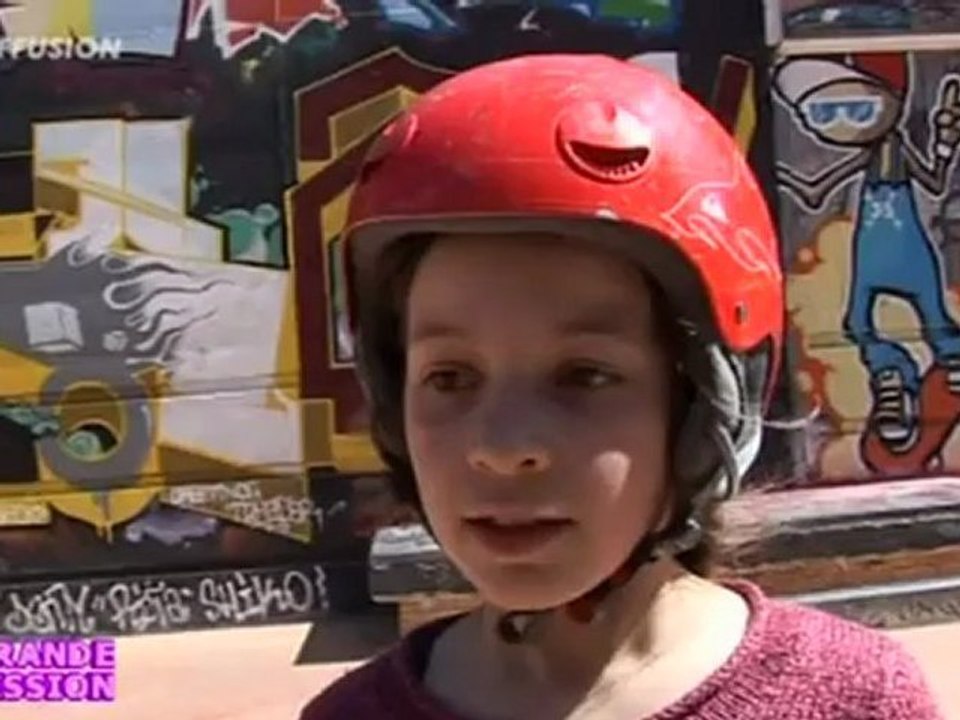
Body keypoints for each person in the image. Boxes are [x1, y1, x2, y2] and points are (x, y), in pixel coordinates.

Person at [299, 54, 945, 720]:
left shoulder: (852, 700)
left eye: (585, 375)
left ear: (705, 410)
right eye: (450, 378)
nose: (502, 446)